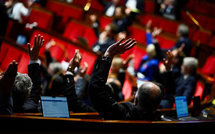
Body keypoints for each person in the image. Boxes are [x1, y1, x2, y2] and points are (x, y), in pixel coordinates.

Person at [89, 38, 163, 120]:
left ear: (136, 101)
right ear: (157, 106)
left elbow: (95, 90)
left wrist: (108, 55)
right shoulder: (162, 125)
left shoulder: (122, 115)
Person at [0, 34, 44, 114]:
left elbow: (34, 91)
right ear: (27, 96)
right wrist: (34, 58)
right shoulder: (29, 107)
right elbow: (35, 92)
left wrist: (34, 58)